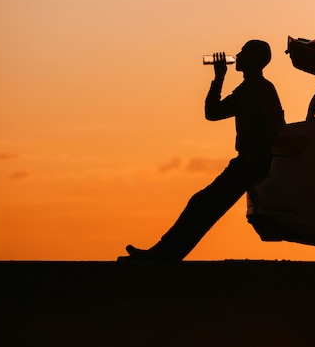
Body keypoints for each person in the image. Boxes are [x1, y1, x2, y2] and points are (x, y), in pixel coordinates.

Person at [119, 39, 285, 261]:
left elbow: (276, 126)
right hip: (246, 162)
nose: (238, 55)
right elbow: (213, 112)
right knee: (203, 204)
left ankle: (163, 255)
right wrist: (219, 78)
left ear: (255, 60)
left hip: (252, 163)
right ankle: (164, 253)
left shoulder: (263, 89)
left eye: (243, 52)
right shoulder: (245, 90)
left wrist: (256, 156)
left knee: (203, 204)